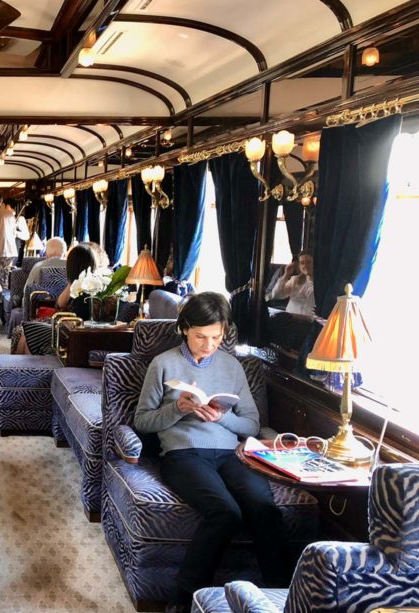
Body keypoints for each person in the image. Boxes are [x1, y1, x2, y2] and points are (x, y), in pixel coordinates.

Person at [133, 293, 291, 611]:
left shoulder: (232, 366)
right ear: (184, 329)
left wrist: (223, 417)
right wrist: (177, 409)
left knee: (264, 509)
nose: (208, 346)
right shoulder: (163, 364)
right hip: (183, 454)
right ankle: (182, 600)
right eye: (200, 337)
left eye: (216, 337)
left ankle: (283, 597)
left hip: (230, 454)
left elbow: (250, 425)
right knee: (225, 512)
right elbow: (142, 421)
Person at [15, 244, 94, 355]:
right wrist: (71, 282)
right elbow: (60, 303)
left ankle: (23, 368)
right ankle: (19, 368)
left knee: (27, 333)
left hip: (71, 333)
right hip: (66, 328)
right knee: (26, 332)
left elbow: (76, 319)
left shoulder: (89, 287)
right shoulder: (78, 283)